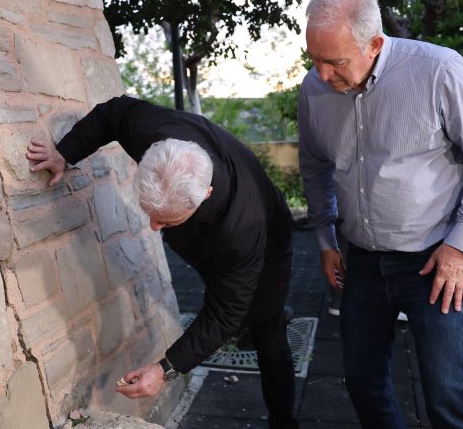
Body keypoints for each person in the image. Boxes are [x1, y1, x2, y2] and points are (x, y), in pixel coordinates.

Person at [297, 0, 463, 429]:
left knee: (449, 391)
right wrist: (325, 240)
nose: (320, 74)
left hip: (436, 260)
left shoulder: (439, 70)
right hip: (359, 261)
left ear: (374, 43)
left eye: (335, 62)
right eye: (313, 58)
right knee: (361, 380)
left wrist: (461, 247)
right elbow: (316, 168)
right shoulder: (314, 89)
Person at [26, 95, 299, 429]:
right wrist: (65, 152)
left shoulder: (242, 229)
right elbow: (114, 114)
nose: (154, 228)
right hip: (211, 246)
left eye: (165, 221)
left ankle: (285, 420)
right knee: (226, 293)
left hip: (269, 239)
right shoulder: (155, 131)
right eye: (151, 216)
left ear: (205, 196)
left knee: (267, 330)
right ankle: (250, 320)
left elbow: (223, 313)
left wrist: (165, 369)